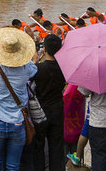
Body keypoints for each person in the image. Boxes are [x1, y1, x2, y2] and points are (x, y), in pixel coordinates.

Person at [0, 28, 38, 171]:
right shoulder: (25, 71)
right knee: (13, 165)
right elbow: (33, 67)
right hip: (17, 123)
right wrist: (24, 55)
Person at [30, 34, 66, 171]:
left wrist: (34, 61)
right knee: (57, 145)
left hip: (40, 111)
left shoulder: (38, 68)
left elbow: (29, 84)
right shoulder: (64, 68)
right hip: (57, 109)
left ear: (44, 49)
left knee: (39, 145)